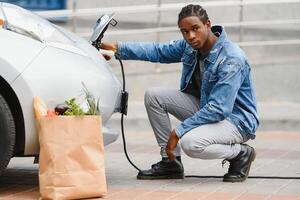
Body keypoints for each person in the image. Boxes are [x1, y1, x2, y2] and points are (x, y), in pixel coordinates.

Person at [100, 4, 259, 182]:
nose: (190, 36)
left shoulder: (231, 58)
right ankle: (171, 163)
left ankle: (240, 153)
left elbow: (220, 108)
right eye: (185, 32)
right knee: (154, 96)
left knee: (190, 143)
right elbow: (158, 51)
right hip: (208, 108)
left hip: (236, 120)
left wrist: (178, 132)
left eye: (195, 29)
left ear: (208, 24)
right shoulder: (190, 46)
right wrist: (117, 49)